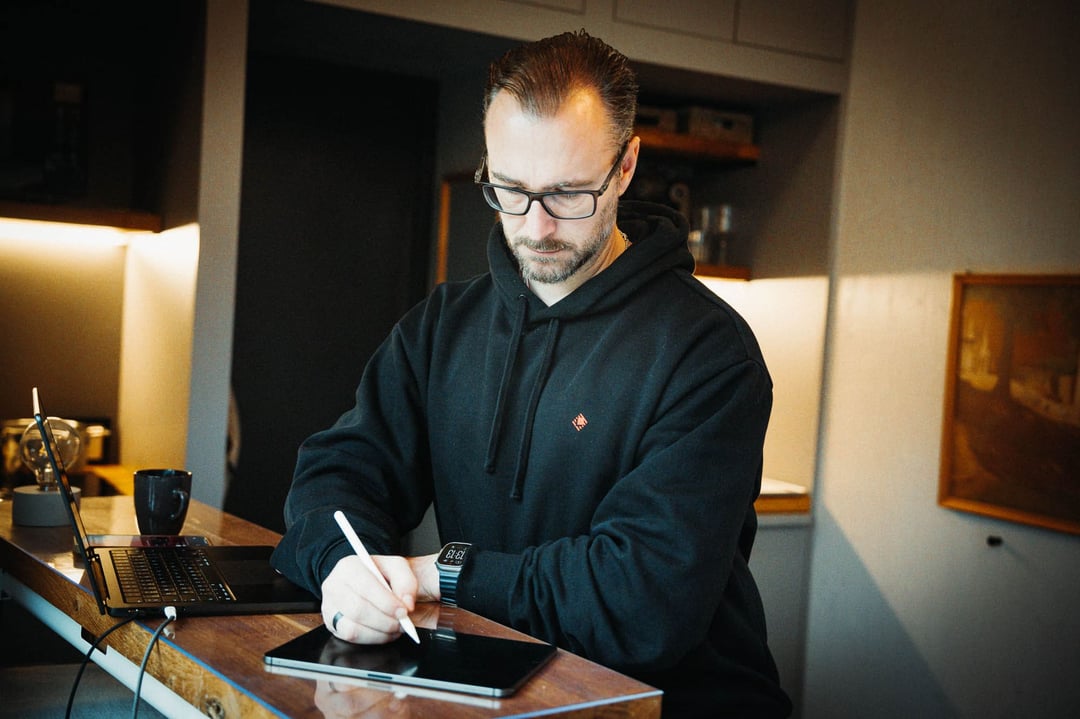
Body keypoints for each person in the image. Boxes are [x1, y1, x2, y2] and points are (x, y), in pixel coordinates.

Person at [271, 29, 792, 718]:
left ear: (626, 166)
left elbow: (641, 598)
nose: (537, 226)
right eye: (511, 189)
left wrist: (441, 574)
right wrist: (347, 564)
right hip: (498, 691)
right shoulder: (443, 326)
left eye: (568, 194)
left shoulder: (708, 353)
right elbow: (338, 473)